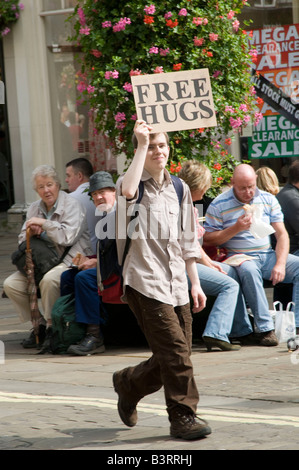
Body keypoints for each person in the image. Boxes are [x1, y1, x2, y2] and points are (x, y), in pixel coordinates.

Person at [112, 120, 211, 441]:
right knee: (176, 355)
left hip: (177, 284)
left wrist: (195, 282)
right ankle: (183, 417)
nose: (158, 151)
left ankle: (128, 384)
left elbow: (187, 241)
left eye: (162, 145)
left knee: (176, 354)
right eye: (152, 146)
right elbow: (126, 192)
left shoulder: (179, 188)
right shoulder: (130, 183)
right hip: (144, 281)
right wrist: (140, 143)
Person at [203, 163, 299, 345]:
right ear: (232, 184)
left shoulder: (268, 199)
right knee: (248, 270)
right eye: (242, 188)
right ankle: (265, 329)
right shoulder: (219, 203)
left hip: (267, 254)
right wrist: (236, 228)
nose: (248, 192)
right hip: (239, 256)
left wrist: (280, 263)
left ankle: (297, 324)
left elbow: (282, 234)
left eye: (251, 186)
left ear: (256, 181)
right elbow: (209, 239)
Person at [3, 165, 92, 351]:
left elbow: (67, 237)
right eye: (41, 187)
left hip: (70, 260)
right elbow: (22, 239)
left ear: (58, 185)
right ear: (37, 190)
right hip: (40, 261)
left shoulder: (72, 205)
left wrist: (44, 225)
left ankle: (53, 329)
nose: (46, 190)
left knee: (50, 280)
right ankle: (40, 325)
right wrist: (32, 233)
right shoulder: (34, 208)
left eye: (49, 184)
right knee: (11, 284)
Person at [179, 160, 252, 351]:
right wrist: (208, 263)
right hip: (179, 267)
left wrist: (209, 262)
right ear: (198, 186)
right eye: (204, 187)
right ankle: (215, 333)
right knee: (229, 285)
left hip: (186, 263)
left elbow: (193, 244)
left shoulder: (184, 204)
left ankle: (240, 329)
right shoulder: (183, 208)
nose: (205, 192)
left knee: (231, 271)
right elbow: (189, 245)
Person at [61, 171, 117, 355]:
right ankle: (72, 331)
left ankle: (94, 336)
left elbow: (125, 255)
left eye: (103, 192)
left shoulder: (120, 215)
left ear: (114, 191)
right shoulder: (105, 214)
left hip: (124, 271)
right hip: (109, 266)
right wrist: (90, 260)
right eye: (94, 194)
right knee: (68, 276)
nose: (99, 197)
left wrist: (96, 264)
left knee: (85, 279)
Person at [65, 157, 100, 254]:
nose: (66, 180)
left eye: (68, 176)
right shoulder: (106, 198)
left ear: (80, 176)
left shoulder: (69, 200)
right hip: (103, 255)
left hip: (81, 258)